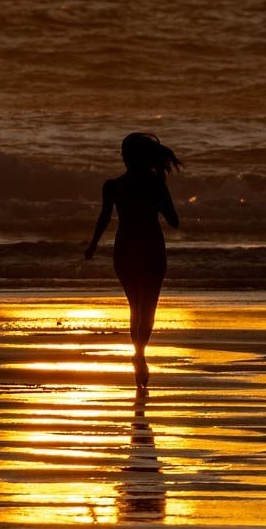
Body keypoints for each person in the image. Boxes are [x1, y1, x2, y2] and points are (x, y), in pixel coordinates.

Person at [84, 132, 181, 392]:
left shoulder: (113, 186)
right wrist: (160, 188)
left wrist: (93, 245)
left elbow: (104, 219)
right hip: (151, 249)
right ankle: (140, 353)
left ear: (128, 157)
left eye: (123, 152)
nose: (122, 156)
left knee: (135, 307)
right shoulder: (155, 184)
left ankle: (138, 354)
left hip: (125, 249)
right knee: (146, 310)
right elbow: (174, 221)